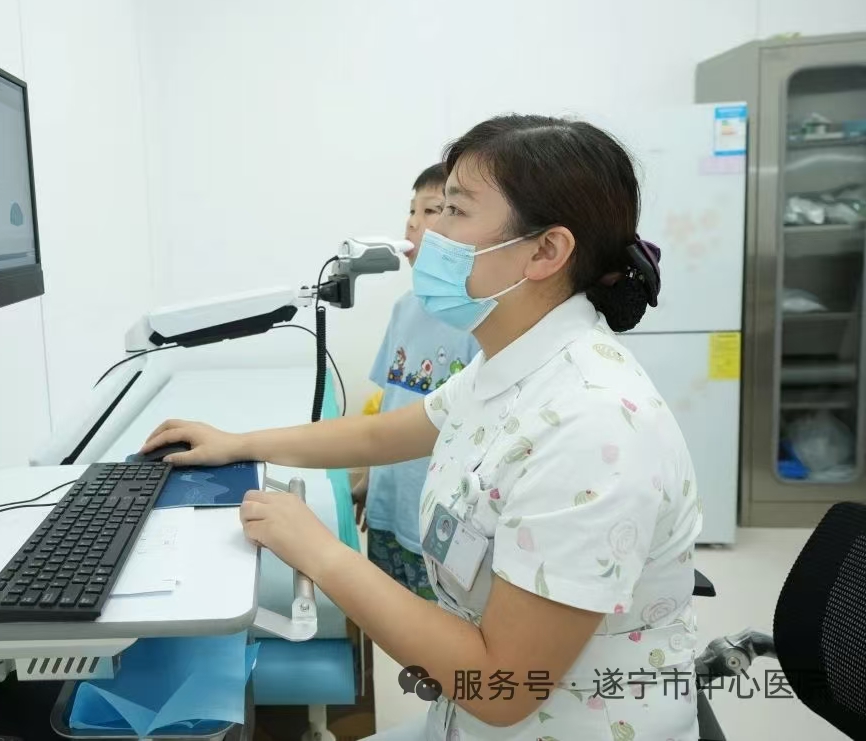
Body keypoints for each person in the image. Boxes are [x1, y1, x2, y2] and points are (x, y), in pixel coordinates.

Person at [144, 115, 703, 740]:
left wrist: (319, 552)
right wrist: (240, 444)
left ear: (546, 251)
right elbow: (382, 435)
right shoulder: (515, 363)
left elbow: (504, 687)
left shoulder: (593, 428)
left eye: (454, 211)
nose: (427, 236)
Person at [354, 163, 481, 603]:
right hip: (387, 506)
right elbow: (386, 405)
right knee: (386, 613)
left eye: (431, 210)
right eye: (411, 210)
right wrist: (369, 479)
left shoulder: (476, 324)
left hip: (439, 522)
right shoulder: (404, 309)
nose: (412, 222)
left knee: (438, 625)